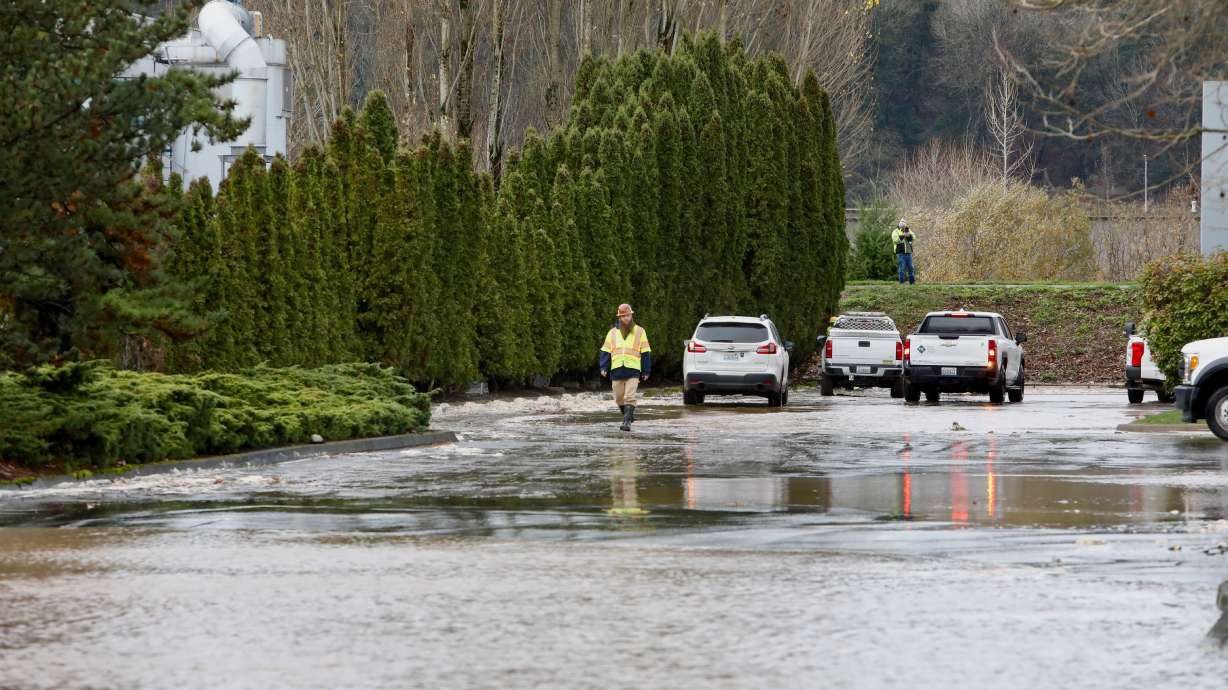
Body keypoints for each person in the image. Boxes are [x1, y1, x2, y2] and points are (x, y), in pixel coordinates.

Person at [599, 303, 652, 432]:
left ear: (631, 315)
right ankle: (628, 415)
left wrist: (645, 370)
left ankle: (626, 422)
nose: (626, 318)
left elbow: (645, 352)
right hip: (617, 369)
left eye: (628, 315)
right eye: (624, 316)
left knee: (629, 396)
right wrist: (603, 367)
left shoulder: (640, 331)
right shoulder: (612, 332)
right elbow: (605, 350)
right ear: (619, 317)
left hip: (633, 369)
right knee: (618, 398)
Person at [892, 219, 916, 285]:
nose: (903, 224)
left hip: (909, 252)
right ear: (899, 224)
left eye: (904, 222)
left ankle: (912, 283)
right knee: (902, 268)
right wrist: (903, 235)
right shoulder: (895, 231)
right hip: (900, 253)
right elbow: (895, 240)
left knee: (911, 268)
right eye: (901, 222)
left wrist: (909, 235)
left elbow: (914, 237)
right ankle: (901, 283)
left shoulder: (908, 230)